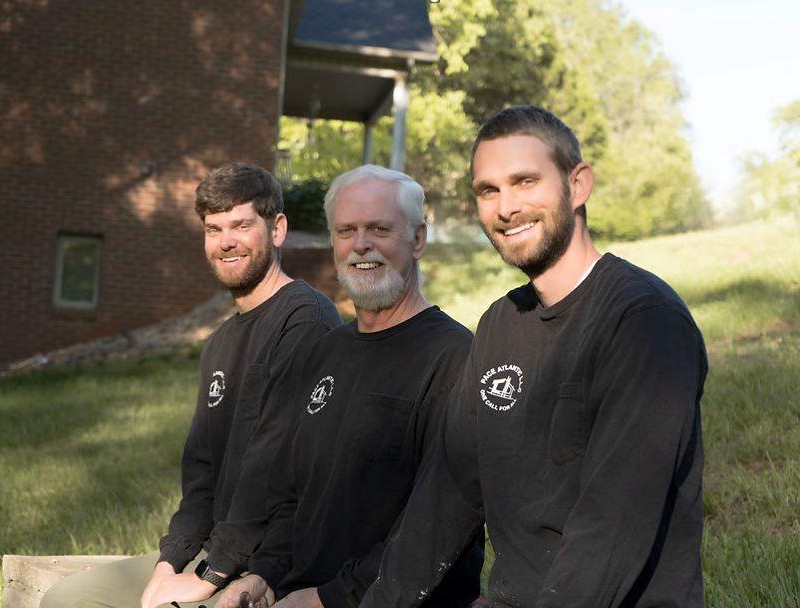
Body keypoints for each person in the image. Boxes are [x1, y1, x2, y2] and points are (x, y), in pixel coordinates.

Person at [361, 106, 709, 607]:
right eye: (488, 190)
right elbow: (450, 490)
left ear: (579, 185)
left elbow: (611, 529)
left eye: (525, 181)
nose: (506, 207)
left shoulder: (644, 321)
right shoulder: (501, 324)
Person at [40, 162, 342, 608]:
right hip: (214, 551)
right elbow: (201, 471)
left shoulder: (305, 320)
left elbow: (276, 466)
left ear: (277, 229)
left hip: (270, 567)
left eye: (241, 225)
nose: (226, 242)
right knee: (68, 599)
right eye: (213, 228)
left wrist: (211, 573)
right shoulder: (220, 343)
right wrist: (170, 560)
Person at [201, 165, 483, 608]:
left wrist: (327, 598)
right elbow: (293, 496)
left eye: (379, 228)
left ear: (418, 239)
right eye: (346, 230)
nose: (361, 244)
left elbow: (435, 530)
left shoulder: (455, 358)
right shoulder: (323, 353)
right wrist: (263, 577)